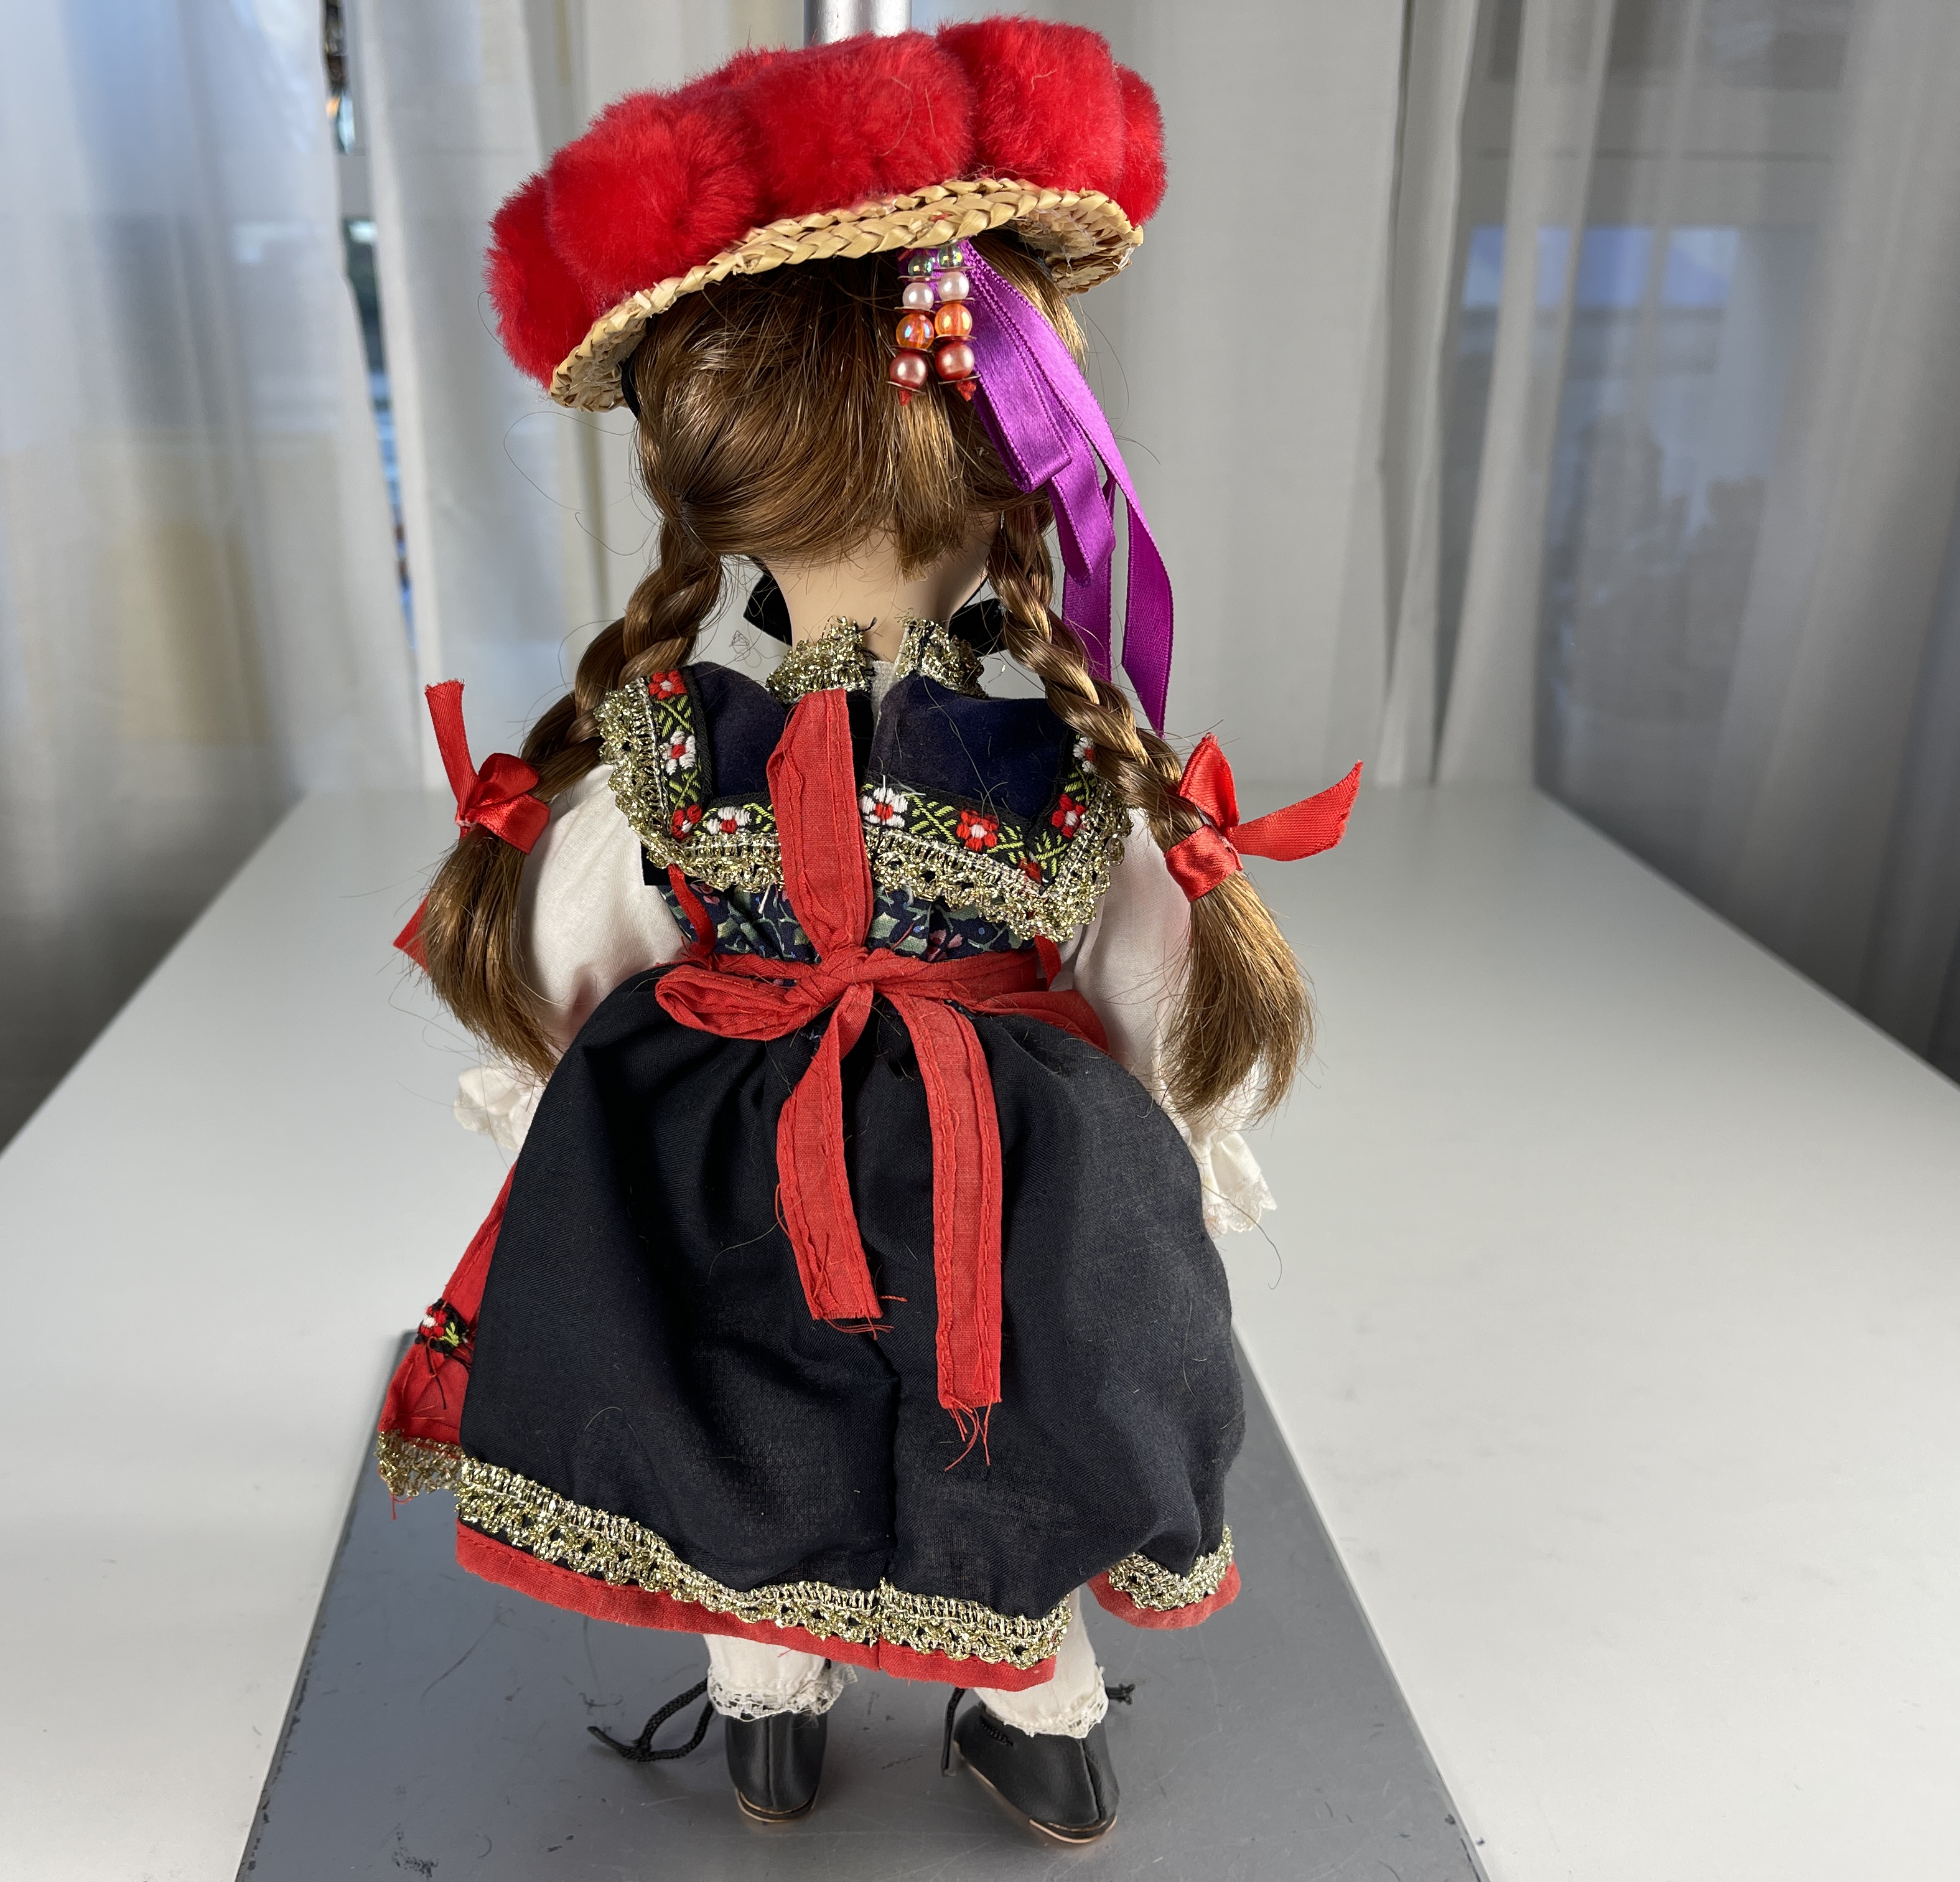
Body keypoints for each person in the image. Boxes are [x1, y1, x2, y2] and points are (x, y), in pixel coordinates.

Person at [373, 17, 1356, 1846]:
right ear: (1014, 470)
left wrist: (577, 1100)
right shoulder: (1058, 770)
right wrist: (1183, 1129)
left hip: (745, 1130)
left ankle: (775, 1705)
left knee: (748, 1397)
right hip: (1006, 1165)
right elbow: (1155, 979)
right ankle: (1027, 1711)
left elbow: (579, 956)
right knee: (1007, 1417)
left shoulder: (678, 752)